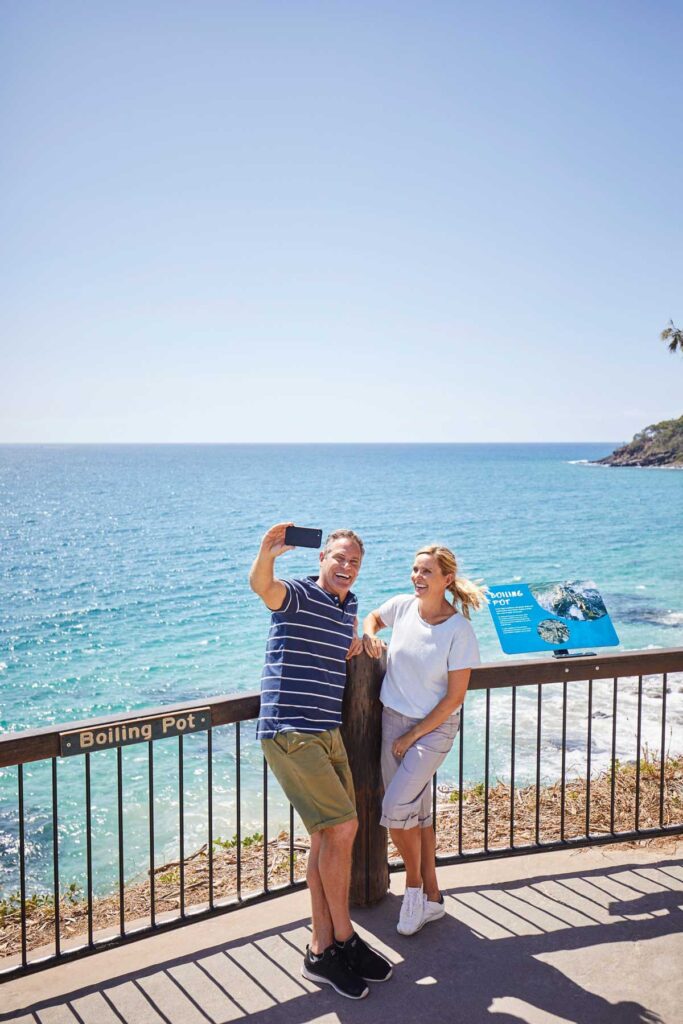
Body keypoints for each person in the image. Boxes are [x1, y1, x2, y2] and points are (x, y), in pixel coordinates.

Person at [249, 523, 392, 1000]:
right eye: (339, 558)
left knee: (326, 836)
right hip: (291, 731)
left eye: (354, 561)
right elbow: (263, 587)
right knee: (345, 827)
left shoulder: (348, 605)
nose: (346, 567)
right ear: (321, 560)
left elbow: (351, 628)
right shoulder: (298, 595)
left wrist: (362, 638)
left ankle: (321, 949)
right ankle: (345, 939)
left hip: (328, 730)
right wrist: (267, 553)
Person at [362, 544, 484, 936]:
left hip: (433, 729)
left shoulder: (459, 631)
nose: (417, 577)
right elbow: (372, 618)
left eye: (426, 571)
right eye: (415, 569)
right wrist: (369, 637)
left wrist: (414, 733)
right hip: (392, 721)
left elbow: (454, 699)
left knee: (394, 808)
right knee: (417, 814)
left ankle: (412, 889)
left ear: (447, 579)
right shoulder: (402, 606)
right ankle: (433, 897)